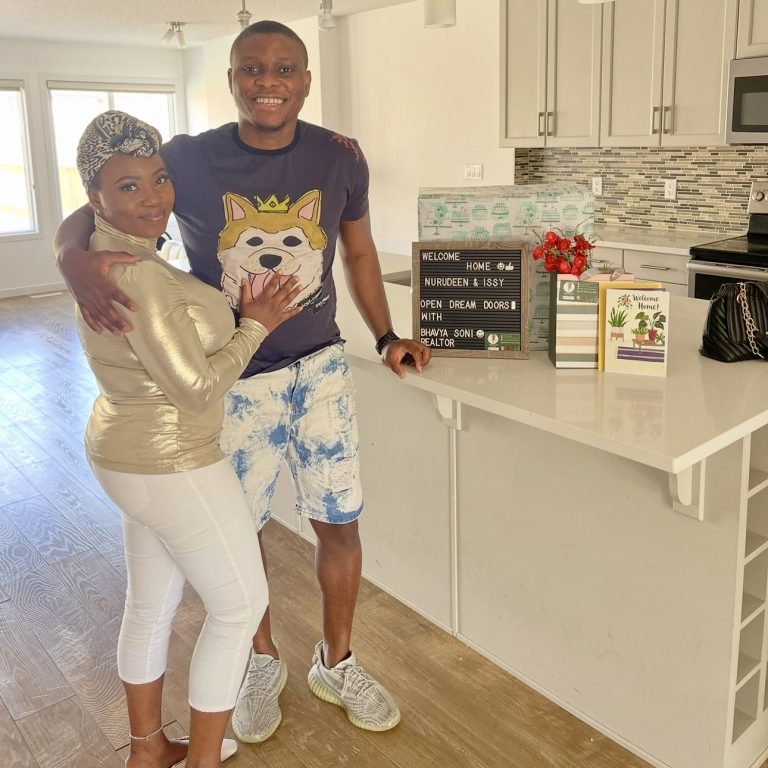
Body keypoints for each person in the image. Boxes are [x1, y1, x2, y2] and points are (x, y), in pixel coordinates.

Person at [55, 20, 432, 744]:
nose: (268, 82)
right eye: (252, 69)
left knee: (339, 520)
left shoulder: (340, 156)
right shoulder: (187, 158)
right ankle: (260, 661)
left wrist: (386, 336)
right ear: (231, 81)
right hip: (235, 379)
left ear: (306, 80)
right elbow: (98, 198)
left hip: (321, 368)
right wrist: (71, 258)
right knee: (244, 529)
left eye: (284, 68)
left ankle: (337, 662)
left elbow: (357, 253)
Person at [71, 110, 302, 768]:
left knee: (151, 603)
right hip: (172, 459)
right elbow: (196, 390)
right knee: (240, 606)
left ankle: (149, 750)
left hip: (126, 455)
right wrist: (255, 325)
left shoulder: (104, 253)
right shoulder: (137, 274)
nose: (153, 197)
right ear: (96, 198)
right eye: (129, 186)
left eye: (159, 178)